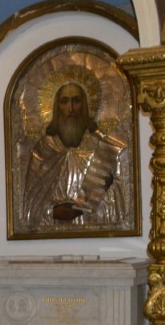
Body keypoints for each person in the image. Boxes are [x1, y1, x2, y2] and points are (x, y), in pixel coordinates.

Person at [22, 81, 127, 228]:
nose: (70, 108)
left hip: (95, 236)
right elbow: (28, 206)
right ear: (56, 107)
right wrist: (52, 212)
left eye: (76, 101)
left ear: (85, 106)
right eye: (64, 102)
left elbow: (119, 205)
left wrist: (101, 193)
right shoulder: (43, 150)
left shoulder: (102, 148)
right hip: (50, 238)